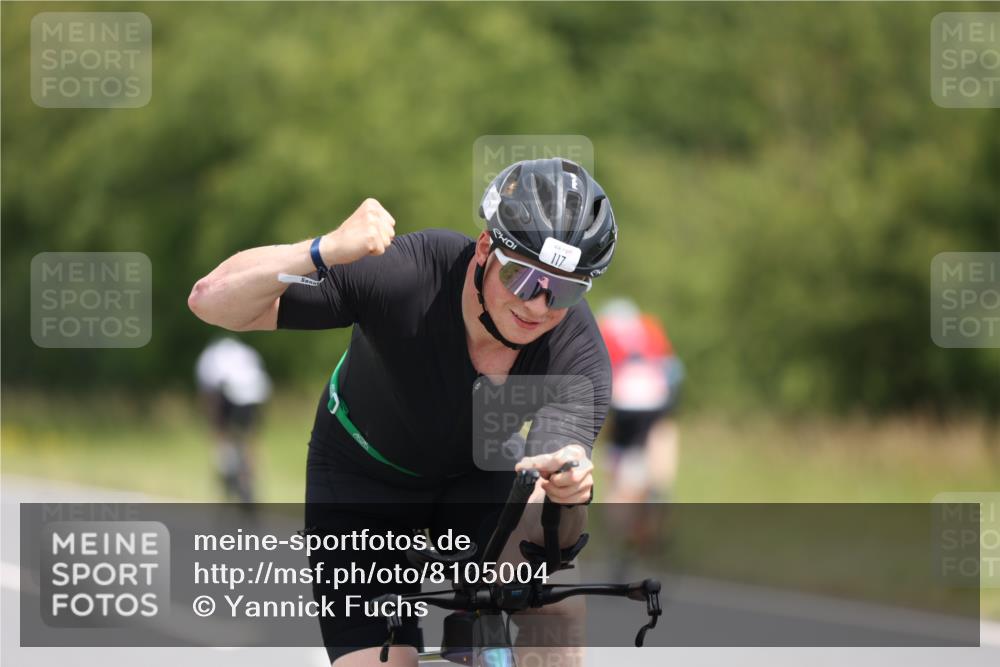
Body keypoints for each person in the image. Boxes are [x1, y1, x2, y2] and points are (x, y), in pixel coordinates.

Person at [188, 157, 617, 667]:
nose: (540, 306)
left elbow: (547, 518)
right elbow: (210, 302)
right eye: (522, 278)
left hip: (473, 474)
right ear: (485, 249)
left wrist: (568, 497)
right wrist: (322, 249)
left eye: (565, 289)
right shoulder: (406, 276)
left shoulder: (578, 353)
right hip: (360, 478)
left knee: (555, 607)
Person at [598, 298, 684, 503]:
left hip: (622, 401)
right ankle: (658, 485)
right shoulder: (649, 327)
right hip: (656, 397)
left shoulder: (603, 330)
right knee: (663, 430)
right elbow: (673, 370)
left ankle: (620, 496)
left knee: (620, 454)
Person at [195, 336, 272, 503]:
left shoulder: (209, 358)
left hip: (228, 391)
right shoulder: (246, 354)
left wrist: (214, 426)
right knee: (249, 438)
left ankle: (228, 468)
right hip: (251, 392)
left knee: (222, 435)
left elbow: (208, 396)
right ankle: (245, 477)